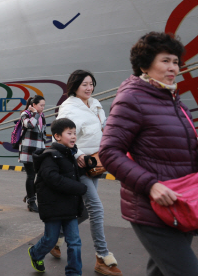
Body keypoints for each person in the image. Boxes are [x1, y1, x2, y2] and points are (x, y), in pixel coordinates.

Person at [100, 32, 198, 276]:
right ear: (144, 64)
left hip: (182, 205)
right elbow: (109, 152)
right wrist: (151, 185)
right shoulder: (132, 98)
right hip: (152, 208)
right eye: (165, 60)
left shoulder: (176, 103)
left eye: (175, 61)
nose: (173, 67)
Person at [57, 70, 123, 276]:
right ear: (74, 86)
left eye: (91, 84)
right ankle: (102, 257)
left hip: (96, 163)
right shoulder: (69, 108)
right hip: (80, 164)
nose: (89, 88)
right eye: (84, 84)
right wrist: (77, 153)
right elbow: (62, 136)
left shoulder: (94, 104)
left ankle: (53, 237)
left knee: (85, 211)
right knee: (96, 208)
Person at [28, 118, 86, 275]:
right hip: (53, 207)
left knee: (75, 242)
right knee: (50, 240)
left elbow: (70, 174)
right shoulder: (50, 156)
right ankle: (35, 253)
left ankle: (74, 273)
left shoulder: (69, 154)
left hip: (70, 206)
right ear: (57, 136)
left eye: (75, 133)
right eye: (69, 133)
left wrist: (87, 166)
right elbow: (53, 179)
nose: (74, 136)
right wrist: (79, 188)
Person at [19, 95, 47, 213]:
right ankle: (31, 201)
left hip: (39, 149)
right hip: (28, 149)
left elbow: (43, 132)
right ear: (34, 105)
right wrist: (35, 113)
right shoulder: (25, 114)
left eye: (44, 106)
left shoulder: (41, 115)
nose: (43, 108)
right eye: (41, 105)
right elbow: (29, 125)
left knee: (41, 175)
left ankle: (30, 194)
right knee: (31, 175)